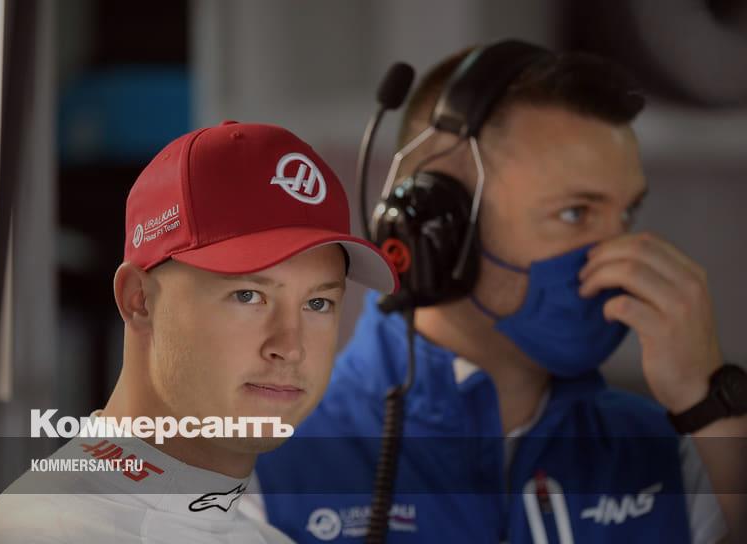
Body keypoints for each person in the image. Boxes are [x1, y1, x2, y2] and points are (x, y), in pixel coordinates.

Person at [250, 41, 747, 543]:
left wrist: (711, 404)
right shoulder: (257, 467)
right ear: (439, 228)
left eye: (627, 215)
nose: (621, 254)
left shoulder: (684, 451)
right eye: (575, 213)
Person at [0, 121, 399, 543]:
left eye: (317, 303)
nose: (290, 347)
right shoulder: (39, 532)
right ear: (139, 299)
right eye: (248, 296)